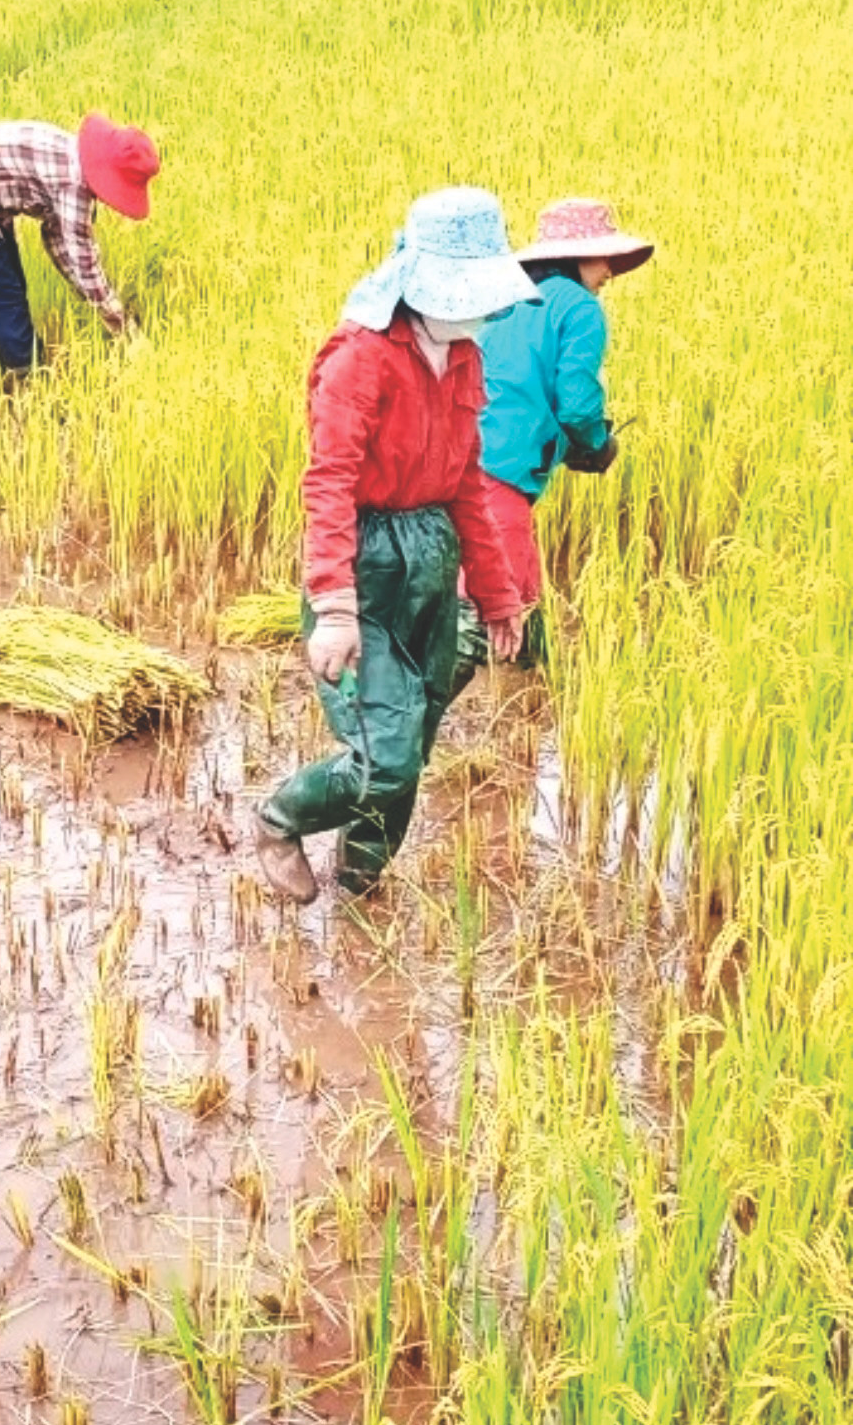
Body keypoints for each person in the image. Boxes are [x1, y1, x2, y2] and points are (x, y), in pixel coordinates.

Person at [255, 187, 540, 906]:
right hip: (368, 561)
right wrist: (336, 607)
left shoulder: (465, 355)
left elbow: (469, 483)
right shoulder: (362, 359)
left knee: (417, 738)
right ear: (419, 284)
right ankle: (281, 818)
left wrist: (498, 594)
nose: (479, 308)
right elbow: (328, 483)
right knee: (385, 758)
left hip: (433, 563)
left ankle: (360, 881)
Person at [452, 197, 654, 688]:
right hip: (503, 465)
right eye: (603, 258)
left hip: (459, 454)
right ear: (575, 257)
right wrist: (596, 442)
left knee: (512, 585)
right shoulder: (580, 309)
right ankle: (463, 728)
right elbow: (578, 403)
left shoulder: (505, 299)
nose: (609, 272)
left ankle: (527, 703)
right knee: (497, 603)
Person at [0, 113, 160, 377]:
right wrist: (125, 330)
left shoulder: (74, 158)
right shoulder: (74, 186)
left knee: (4, 291)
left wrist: (86, 294)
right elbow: (85, 265)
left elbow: (56, 240)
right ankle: (34, 390)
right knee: (7, 305)